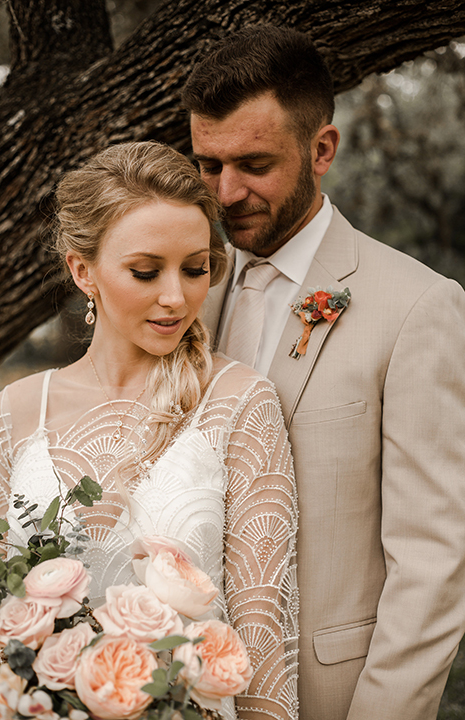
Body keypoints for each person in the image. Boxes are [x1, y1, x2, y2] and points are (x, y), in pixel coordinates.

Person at [182, 24, 465, 720]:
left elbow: (432, 561)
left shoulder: (417, 307)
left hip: (327, 695)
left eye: (253, 163)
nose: (226, 192)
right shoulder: (181, 295)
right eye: (208, 165)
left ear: (322, 149)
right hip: (181, 683)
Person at [0, 141, 299, 720]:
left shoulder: (240, 402)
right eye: (146, 271)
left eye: (196, 268)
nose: (177, 298)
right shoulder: (13, 412)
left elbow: (263, 643)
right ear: (83, 270)